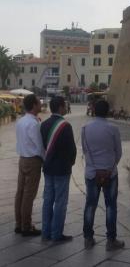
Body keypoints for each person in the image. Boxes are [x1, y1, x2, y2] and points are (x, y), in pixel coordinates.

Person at [82, 100, 124, 251]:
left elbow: (85, 151)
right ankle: (111, 240)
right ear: (107, 111)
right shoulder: (113, 129)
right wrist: (109, 169)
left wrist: (95, 167)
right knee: (111, 206)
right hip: (110, 173)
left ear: (93, 110)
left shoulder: (85, 129)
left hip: (92, 173)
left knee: (90, 205)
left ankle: (88, 238)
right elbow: (118, 152)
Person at [40, 96, 77, 242]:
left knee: (47, 200)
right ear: (61, 107)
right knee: (60, 202)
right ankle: (56, 234)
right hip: (62, 169)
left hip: (48, 167)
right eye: (65, 106)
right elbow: (72, 149)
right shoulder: (65, 126)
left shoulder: (43, 124)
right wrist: (71, 162)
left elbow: (43, 146)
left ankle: (45, 232)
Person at [15, 94, 45, 236]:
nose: (41, 105)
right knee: (29, 195)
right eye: (39, 103)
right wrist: (45, 160)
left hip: (22, 159)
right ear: (33, 105)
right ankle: (26, 226)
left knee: (20, 193)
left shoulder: (21, 121)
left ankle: (19, 223)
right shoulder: (33, 124)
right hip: (33, 160)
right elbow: (39, 146)